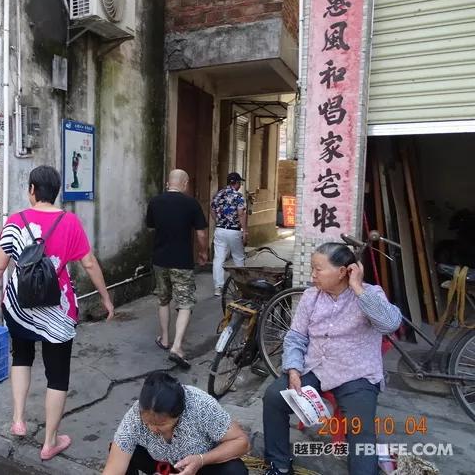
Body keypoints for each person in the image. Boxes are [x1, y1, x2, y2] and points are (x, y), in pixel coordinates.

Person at [0, 165, 114, 461]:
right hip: (59, 309)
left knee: (21, 357)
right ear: (56, 192)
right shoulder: (70, 222)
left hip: (18, 305)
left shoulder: (15, 221)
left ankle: (18, 419)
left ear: (32, 190)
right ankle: (50, 441)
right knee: (57, 374)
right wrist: (105, 298)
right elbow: (89, 263)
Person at [262, 243, 402, 475]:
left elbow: (390, 324)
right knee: (273, 397)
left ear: (343, 271)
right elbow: (295, 337)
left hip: (356, 373)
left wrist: (357, 287)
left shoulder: (369, 294)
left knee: (360, 429)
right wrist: (294, 369)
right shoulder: (310, 296)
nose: (313, 275)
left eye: (319, 269)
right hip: (315, 368)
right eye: (312, 269)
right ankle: (279, 465)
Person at [103, 371, 250, 475]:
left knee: (234, 471)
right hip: (163, 468)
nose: (152, 429)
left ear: (179, 414)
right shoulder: (135, 416)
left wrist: (200, 460)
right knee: (120, 449)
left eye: (161, 424)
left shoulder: (201, 405)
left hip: (198, 468)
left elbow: (241, 442)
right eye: (147, 422)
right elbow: (113, 470)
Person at [146, 169, 208, 369]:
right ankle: (177, 346)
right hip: (181, 261)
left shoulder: (155, 202)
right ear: (185, 183)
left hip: (160, 259)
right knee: (185, 302)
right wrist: (203, 252)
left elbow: (151, 227)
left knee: (163, 299)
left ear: (168, 183)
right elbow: (201, 234)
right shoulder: (191, 204)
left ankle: (164, 339)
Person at [211, 172, 247, 297]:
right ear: (236, 183)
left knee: (218, 258)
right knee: (238, 257)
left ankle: (218, 288)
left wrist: (218, 221)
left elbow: (212, 209)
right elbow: (241, 213)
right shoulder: (238, 196)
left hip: (220, 230)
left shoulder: (218, 194)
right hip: (234, 230)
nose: (240, 185)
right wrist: (245, 231)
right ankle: (240, 285)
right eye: (240, 183)